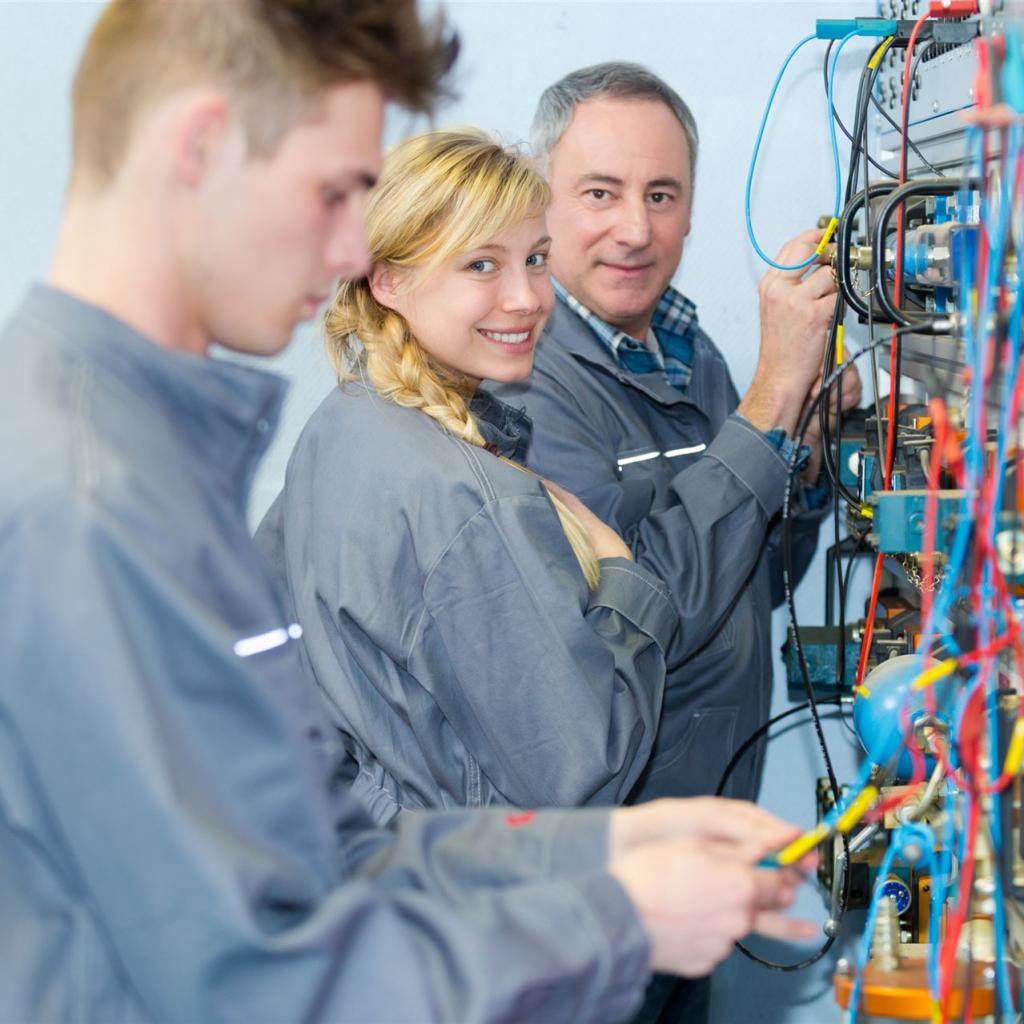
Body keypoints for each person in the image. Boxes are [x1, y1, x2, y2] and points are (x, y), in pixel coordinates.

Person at [0, 4, 817, 1022]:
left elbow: (318, 831)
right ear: (200, 147)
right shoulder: (85, 500)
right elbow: (246, 970)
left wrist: (599, 849)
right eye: (335, 189)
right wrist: (614, 915)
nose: (358, 247)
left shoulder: (149, 450)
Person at [256, 127, 678, 824]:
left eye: (535, 258)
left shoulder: (345, 419)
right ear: (387, 279)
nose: (526, 299)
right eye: (481, 267)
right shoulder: (469, 499)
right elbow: (577, 776)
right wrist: (623, 576)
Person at [489, 62, 863, 804]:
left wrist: (806, 444)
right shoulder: (522, 380)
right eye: (601, 193)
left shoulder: (690, 352)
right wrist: (769, 402)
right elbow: (632, 618)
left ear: (690, 212)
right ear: (540, 202)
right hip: (614, 836)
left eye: (661, 196)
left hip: (709, 804)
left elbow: (759, 578)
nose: (635, 230)